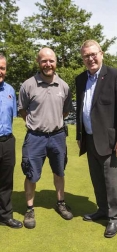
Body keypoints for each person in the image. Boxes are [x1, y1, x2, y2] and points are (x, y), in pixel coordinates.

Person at [75, 40, 117, 238]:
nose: (90, 59)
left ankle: (114, 217)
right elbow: (80, 110)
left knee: (111, 182)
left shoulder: (115, 75)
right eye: (86, 56)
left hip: (110, 141)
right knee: (97, 179)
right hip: (89, 139)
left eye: (93, 54)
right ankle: (102, 210)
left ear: (101, 53)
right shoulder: (80, 79)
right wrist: (79, 135)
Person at [18, 48, 73, 229]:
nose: (48, 64)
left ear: (56, 62)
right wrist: (36, 124)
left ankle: (60, 203)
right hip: (35, 137)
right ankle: (29, 209)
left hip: (57, 136)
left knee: (59, 172)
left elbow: (65, 111)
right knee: (31, 174)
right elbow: (23, 111)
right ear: (38, 62)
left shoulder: (64, 86)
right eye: (44, 61)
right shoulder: (28, 85)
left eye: (51, 60)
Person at [0, 54, 23, 229]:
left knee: (6, 181)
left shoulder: (10, 91)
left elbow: (12, 116)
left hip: (7, 141)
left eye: (2, 68)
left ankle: (5, 215)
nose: (0, 71)